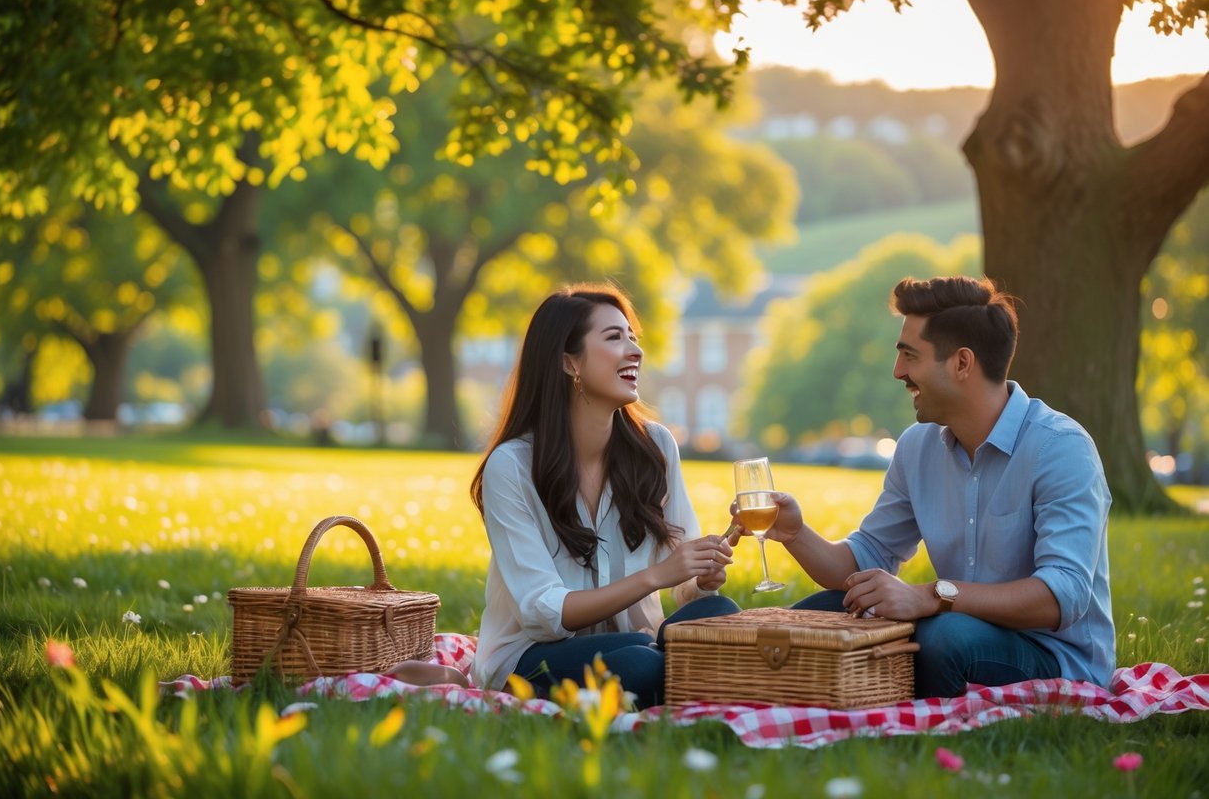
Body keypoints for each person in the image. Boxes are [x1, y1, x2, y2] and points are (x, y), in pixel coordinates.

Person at [755, 275, 1114, 698]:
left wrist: (932, 596)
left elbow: (1061, 596)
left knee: (941, 638)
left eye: (910, 356)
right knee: (816, 618)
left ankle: (897, 717)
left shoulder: (1060, 448)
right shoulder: (917, 448)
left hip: (1053, 655)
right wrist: (795, 534)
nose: (898, 372)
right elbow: (866, 558)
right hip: (952, 625)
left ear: (962, 363)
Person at [469, 284, 740, 707]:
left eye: (633, 336)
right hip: (532, 657)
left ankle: (670, 666)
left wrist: (701, 575)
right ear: (568, 361)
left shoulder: (656, 448)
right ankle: (679, 671)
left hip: (638, 640)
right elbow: (543, 614)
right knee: (640, 663)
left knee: (721, 615)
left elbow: (684, 582)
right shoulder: (513, 466)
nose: (634, 350)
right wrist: (655, 576)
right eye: (614, 337)